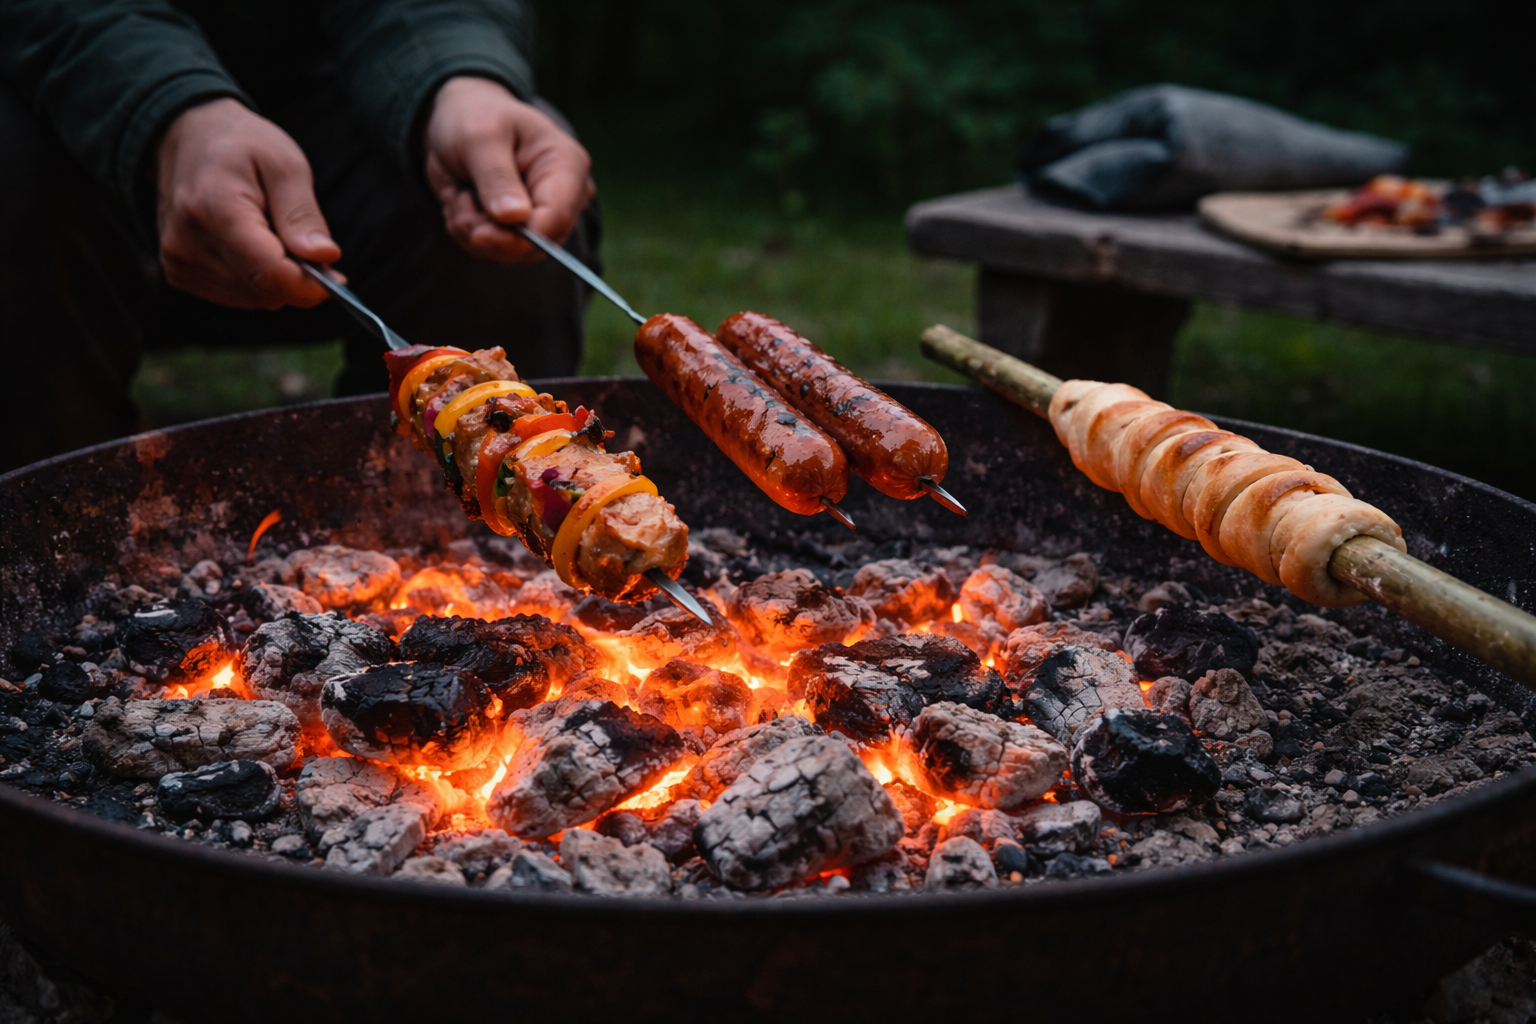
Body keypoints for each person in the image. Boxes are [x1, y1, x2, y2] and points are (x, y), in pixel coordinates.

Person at [0, 0, 599, 472]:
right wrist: (166, 108)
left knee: (501, 210)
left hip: (336, 93)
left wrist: (459, 75)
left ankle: (444, 555)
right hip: (61, 99)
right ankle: (47, 569)